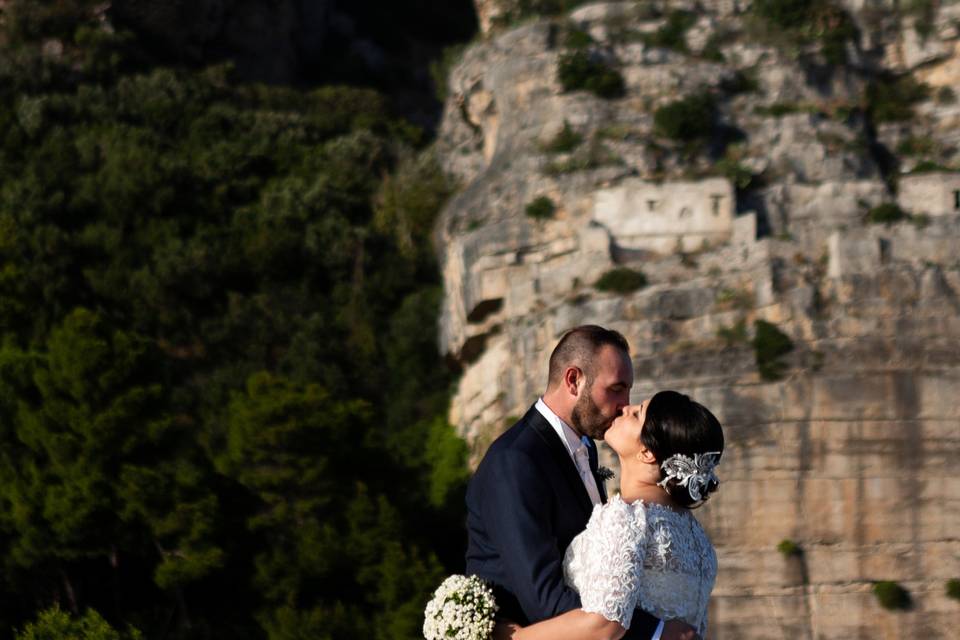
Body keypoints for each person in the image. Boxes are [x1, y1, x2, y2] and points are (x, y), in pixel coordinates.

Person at [465, 325, 703, 640]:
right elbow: (545, 601)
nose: (624, 404)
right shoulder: (516, 461)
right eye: (616, 388)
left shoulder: (586, 449)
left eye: (628, 390)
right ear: (573, 380)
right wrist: (655, 631)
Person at [497, 390, 724, 640]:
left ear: (647, 453)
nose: (625, 408)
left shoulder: (627, 516)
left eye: (637, 414)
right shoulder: (701, 545)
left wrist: (514, 637)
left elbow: (605, 625)